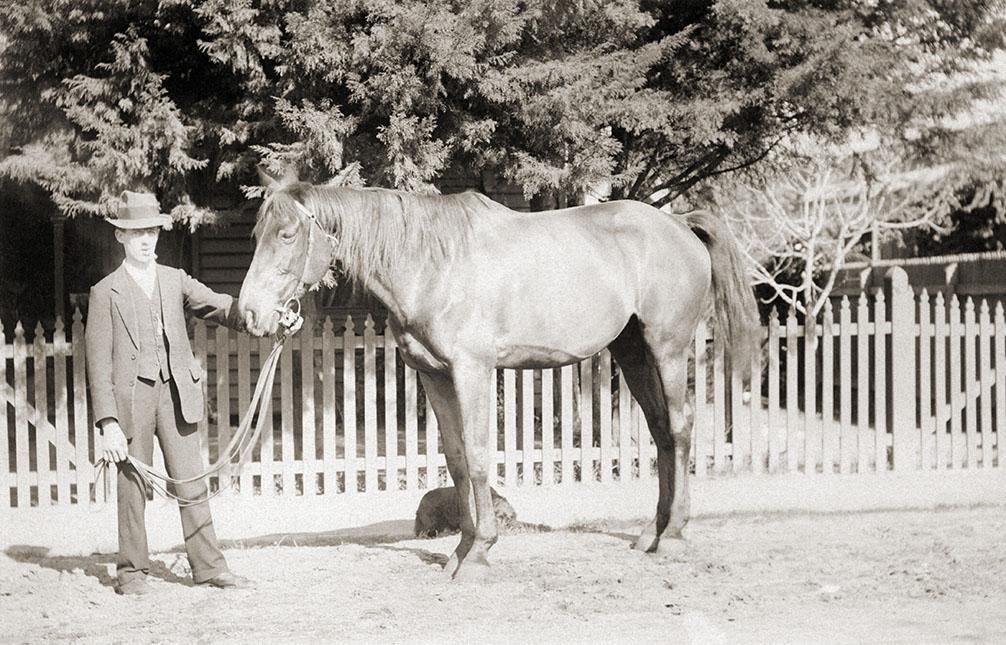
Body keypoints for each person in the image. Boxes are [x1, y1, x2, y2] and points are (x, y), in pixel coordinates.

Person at [85, 191, 253, 595]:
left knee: (192, 483)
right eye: (136, 232)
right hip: (131, 402)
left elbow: (219, 306)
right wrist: (108, 423)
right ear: (121, 238)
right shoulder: (105, 292)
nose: (146, 239)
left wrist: (261, 315)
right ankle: (132, 574)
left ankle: (210, 568)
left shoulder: (175, 279)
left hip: (177, 395)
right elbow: (98, 364)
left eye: (152, 231)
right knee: (132, 488)